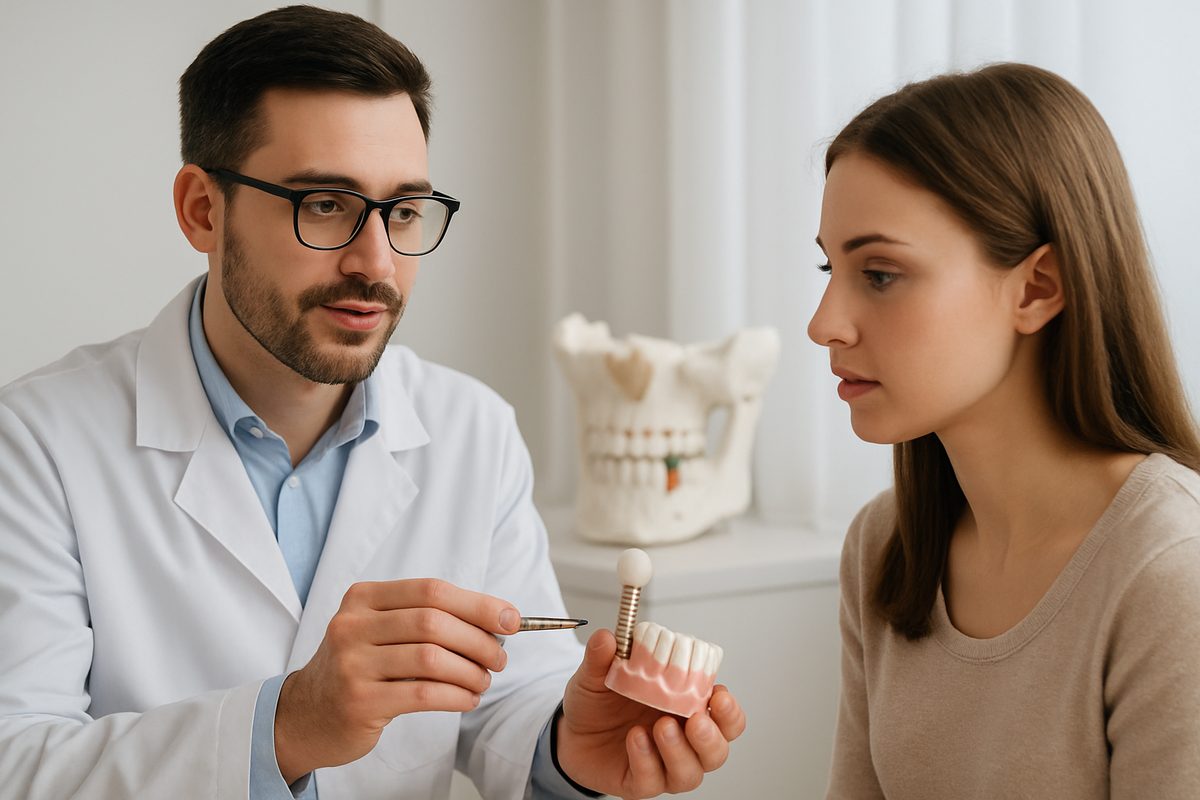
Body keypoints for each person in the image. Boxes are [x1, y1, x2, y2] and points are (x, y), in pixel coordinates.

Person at [0, 7, 745, 799]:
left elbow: (514, 701)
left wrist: (568, 750)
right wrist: (285, 727)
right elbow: (15, 765)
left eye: (403, 211)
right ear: (202, 210)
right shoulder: (36, 445)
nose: (376, 262)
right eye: (325, 204)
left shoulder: (472, 432)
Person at [809, 63, 1200, 798]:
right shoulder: (885, 548)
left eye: (880, 273)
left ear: (1037, 288)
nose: (824, 324)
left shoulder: (1173, 574)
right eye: (828, 268)